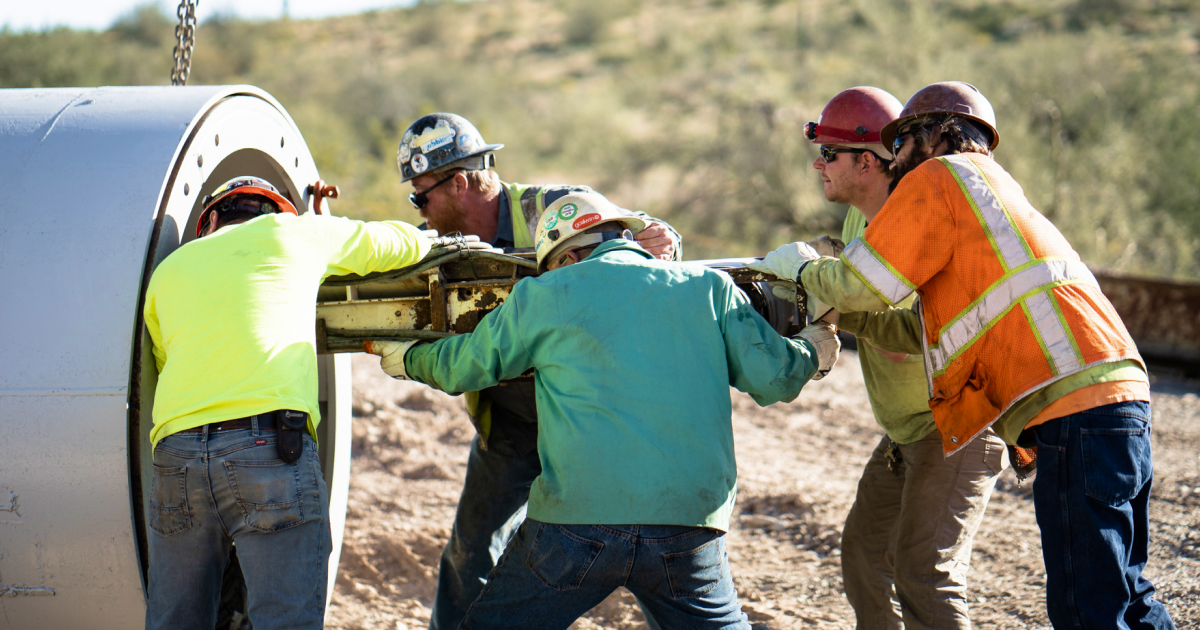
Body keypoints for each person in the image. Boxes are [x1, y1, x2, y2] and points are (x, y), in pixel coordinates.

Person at [750, 82, 1175, 629]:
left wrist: (801, 271)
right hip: (1115, 396)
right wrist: (840, 315)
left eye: (899, 145)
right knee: (1129, 597)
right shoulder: (992, 189)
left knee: (1088, 608)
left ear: (929, 137)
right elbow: (919, 326)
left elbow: (859, 286)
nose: (894, 161)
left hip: (1074, 407)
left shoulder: (937, 178)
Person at [366, 191, 840, 630]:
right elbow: (773, 378)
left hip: (573, 529)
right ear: (624, 236)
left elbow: (461, 367)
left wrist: (405, 356)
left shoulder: (545, 295)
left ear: (566, 257)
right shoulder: (708, 288)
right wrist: (812, 352)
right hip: (688, 528)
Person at [395, 112, 683, 630]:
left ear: (458, 183)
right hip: (511, 424)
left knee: (651, 552)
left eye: (422, 196)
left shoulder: (557, 207)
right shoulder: (429, 245)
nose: (420, 209)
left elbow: (655, 238)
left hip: (590, 416)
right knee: (471, 551)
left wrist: (661, 245)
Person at [142, 176, 431, 630]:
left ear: (211, 220)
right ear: (278, 212)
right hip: (266, 448)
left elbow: (163, 357)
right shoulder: (296, 231)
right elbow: (399, 244)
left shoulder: (168, 271)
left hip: (176, 458)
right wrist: (423, 235)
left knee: (175, 620)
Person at [801, 86, 1009, 629]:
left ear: (866, 162)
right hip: (907, 429)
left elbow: (924, 330)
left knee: (925, 576)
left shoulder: (924, 215)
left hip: (955, 422)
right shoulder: (856, 223)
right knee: (865, 561)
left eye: (828, 153)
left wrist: (832, 302)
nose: (818, 165)